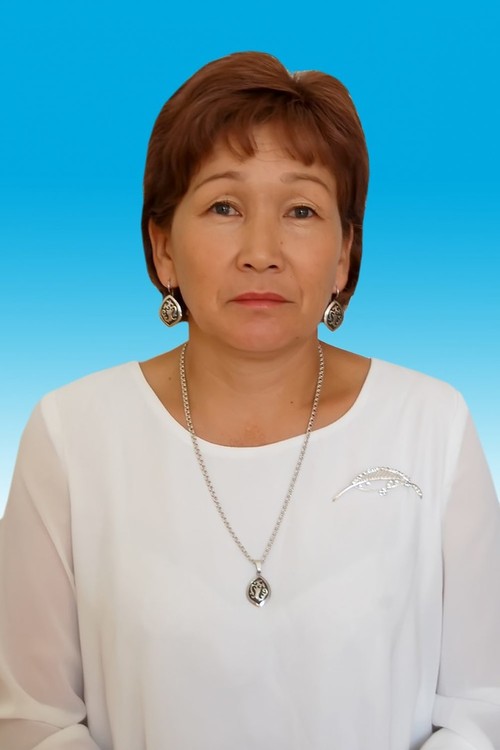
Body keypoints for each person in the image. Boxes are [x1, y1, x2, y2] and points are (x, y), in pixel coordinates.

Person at [0, 51, 499, 750]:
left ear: (345, 253)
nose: (261, 252)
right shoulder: (71, 434)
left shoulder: (432, 425)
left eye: (301, 210)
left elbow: (482, 709)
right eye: (224, 207)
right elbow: (33, 718)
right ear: (162, 247)